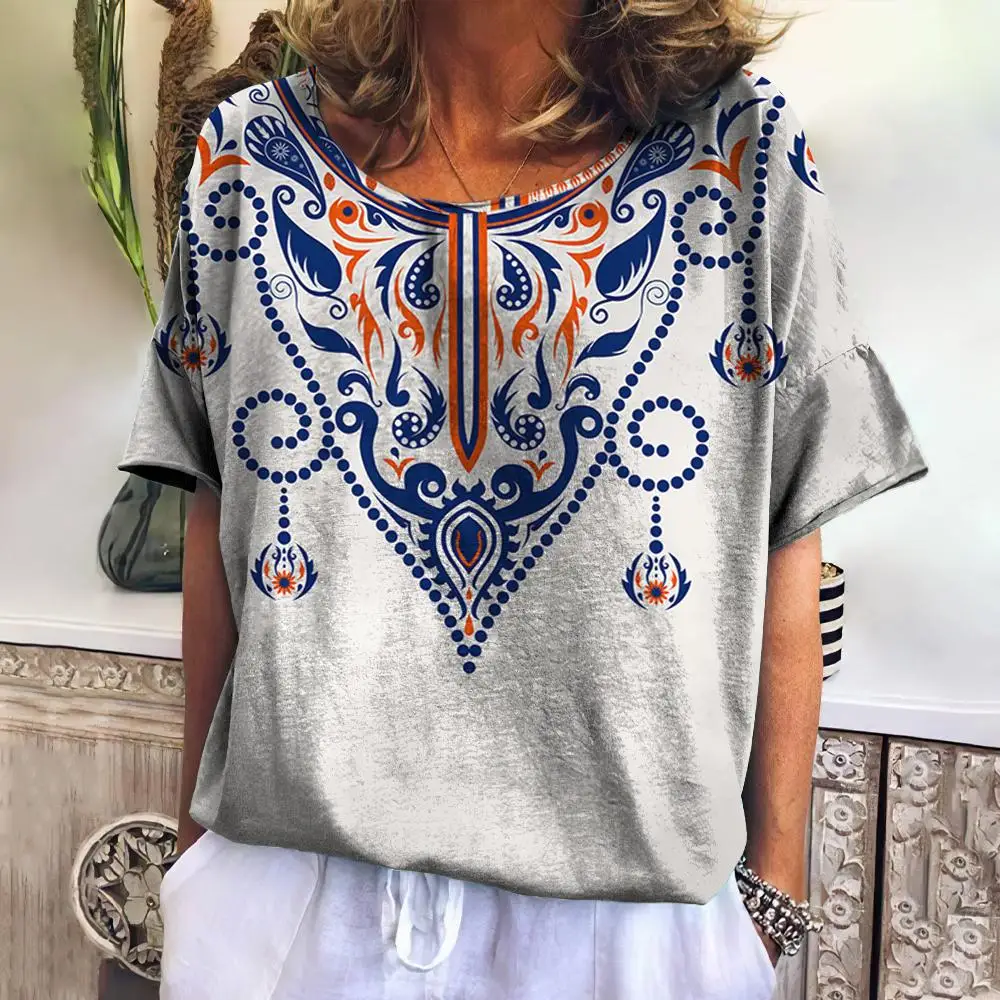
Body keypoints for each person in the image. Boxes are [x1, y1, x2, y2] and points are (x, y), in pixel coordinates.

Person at [120, 1, 928, 997]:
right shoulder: (249, 155)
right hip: (288, 901)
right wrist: (195, 861)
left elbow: (787, 517)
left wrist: (774, 887)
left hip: (627, 930)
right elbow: (217, 509)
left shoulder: (738, 151)